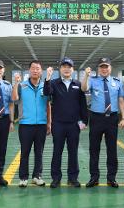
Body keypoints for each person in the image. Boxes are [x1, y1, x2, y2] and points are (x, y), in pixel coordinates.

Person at [44, 57, 88, 188]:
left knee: (73, 152)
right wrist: (47, 78)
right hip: (58, 124)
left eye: (69, 67)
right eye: (64, 66)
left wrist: (84, 121)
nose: (67, 69)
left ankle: (73, 178)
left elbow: (82, 105)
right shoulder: (53, 83)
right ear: (60, 69)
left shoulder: (78, 84)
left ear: (73, 69)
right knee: (57, 152)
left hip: (74, 125)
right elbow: (46, 93)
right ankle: (56, 178)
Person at [81, 57, 124, 188]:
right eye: (101, 67)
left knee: (112, 150)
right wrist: (86, 76)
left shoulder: (117, 82)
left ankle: (111, 178)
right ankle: (94, 177)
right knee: (94, 149)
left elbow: (121, 100)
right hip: (96, 118)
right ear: (98, 69)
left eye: (106, 67)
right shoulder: (93, 81)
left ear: (110, 68)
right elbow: (84, 89)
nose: (104, 69)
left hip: (112, 118)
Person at [12, 60, 51, 187]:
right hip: (25, 124)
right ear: (29, 70)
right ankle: (23, 177)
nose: (35, 70)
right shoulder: (22, 85)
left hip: (41, 124)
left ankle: (37, 176)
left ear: (41, 71)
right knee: (25, 152)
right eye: (33, 68)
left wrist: (49, 123)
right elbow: (14, 99)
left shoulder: (45, 87)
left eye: (38, 68)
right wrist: (16, 83)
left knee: (39, 152)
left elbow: (48, 105)